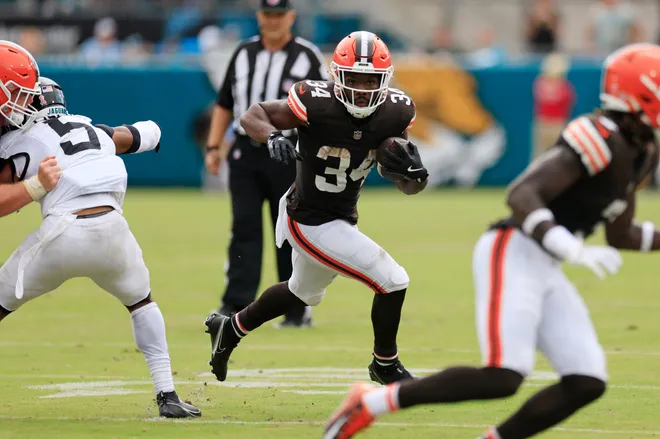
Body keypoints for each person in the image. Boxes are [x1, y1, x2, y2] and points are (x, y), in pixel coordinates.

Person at [324, 42, 660, 439]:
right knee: (504, 374)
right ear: (638, 92)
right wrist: (565, 244)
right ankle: (371, 403)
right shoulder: (598, 134)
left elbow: (622, 233)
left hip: (545, 261)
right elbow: (521, 194)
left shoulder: (643, 151)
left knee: (586, 380)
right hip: (513, 249)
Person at [204, 31, 428, 386]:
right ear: (336, 77)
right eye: (353, 79)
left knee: (301, 292)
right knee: (393, 280)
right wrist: (273, 136)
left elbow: (407, 185)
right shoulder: (315, 101)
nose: (362, 89)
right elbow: (253, 114)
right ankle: (385, 364)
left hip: (340, 216)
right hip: (308, 218)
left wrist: (414, 174)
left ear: (384, 81)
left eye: (370, 80)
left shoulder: (396, 113)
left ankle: (229, 328)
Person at [0, 73, 201, 419]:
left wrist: (34, 187)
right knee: (142, 303)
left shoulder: (17, 142)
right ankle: (167, 394)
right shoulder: (93, 129)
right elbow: (144, 133)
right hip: (113, 232)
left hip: (62, 235)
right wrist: (152, 136)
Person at [204, 0, 328, 328]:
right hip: (246, 151)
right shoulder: (243, 53)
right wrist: (214, 146)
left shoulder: (307, 55)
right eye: (267, 15)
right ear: (259, 17)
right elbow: (224, 104)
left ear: (290, 17)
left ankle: (295, 306)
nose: (272, 21)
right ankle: (236, 303)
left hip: (288, 152)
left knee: (288, 232)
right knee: (244, 227)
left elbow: (324, 107)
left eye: (279, 15)